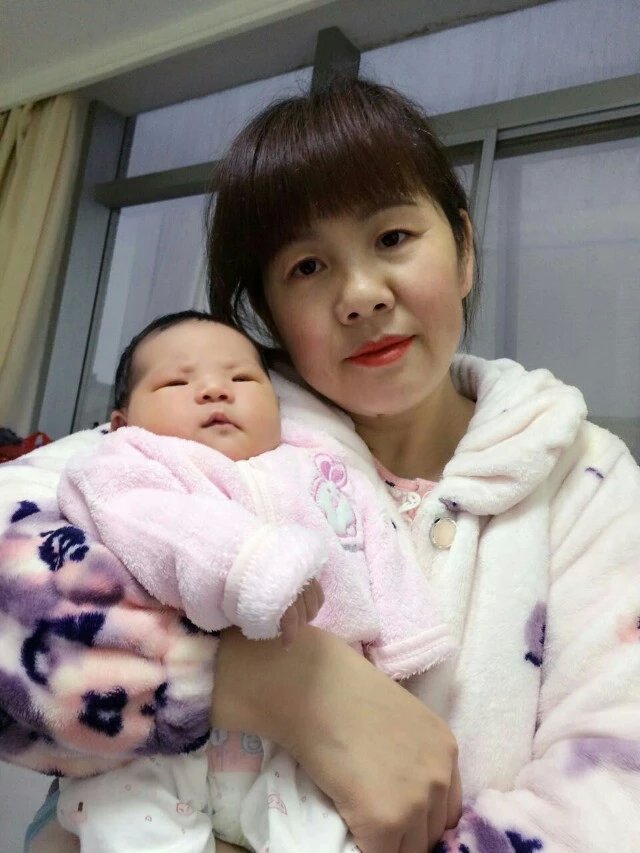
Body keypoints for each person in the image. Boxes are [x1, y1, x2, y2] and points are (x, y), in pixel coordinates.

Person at [1, 76, 638, 853]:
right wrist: (269, 682)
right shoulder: (211, 431)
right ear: (268, 313)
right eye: (307, 266)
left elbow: (613, 792)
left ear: (464, 250)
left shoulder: (582, 474)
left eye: (393, 237)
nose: (361, 295)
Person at [55, 309, 453, 852]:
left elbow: (379, 549)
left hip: (312, 744)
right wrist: (252, 565)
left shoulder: (323, 469)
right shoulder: (126, 464)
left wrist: (408, 647)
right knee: (123, 819)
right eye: (177, 383)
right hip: (171, 736)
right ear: (123, 423)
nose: (215, 390)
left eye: (241, 378)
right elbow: (151, 524)